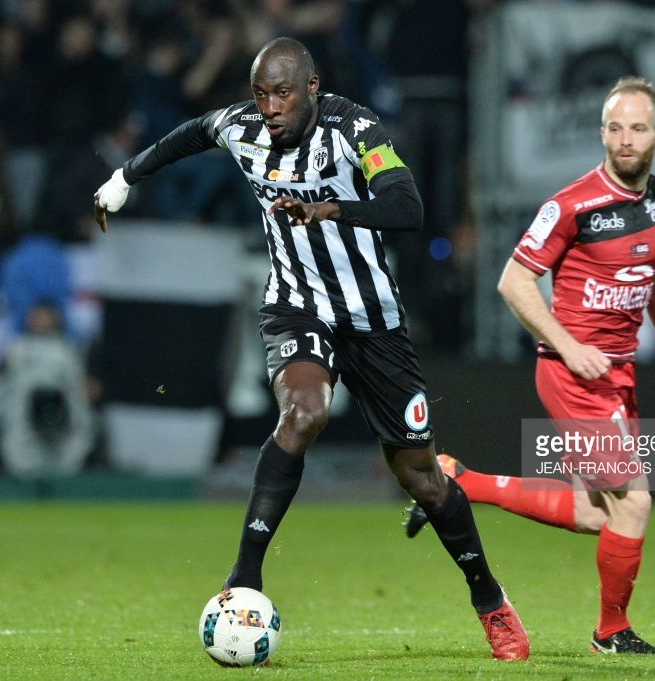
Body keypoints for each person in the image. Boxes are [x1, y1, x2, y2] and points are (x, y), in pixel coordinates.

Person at [93, 37, 529, 661]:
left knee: (423, 480)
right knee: (302, 414)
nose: (269, 107)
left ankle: (489, 598)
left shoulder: (356, 129)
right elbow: (191, 132)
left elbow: (408, 206)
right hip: (295, 303)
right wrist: (124, 178)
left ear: (313, 88)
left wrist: (330, 208)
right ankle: (243, 576)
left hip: (372, 320)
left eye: (283, 93)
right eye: (261, 94)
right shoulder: (241, 127)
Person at [405, 77, 655, 654]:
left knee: (596, 515)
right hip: (574, 375)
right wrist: (567, 344)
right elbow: (513, 281)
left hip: (618, 376)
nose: (625, 139)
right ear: (602, 134)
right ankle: (611, 633)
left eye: (638, 128)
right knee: (635, 503)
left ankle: (459, 481)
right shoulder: (571, 205)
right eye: (615, 128)